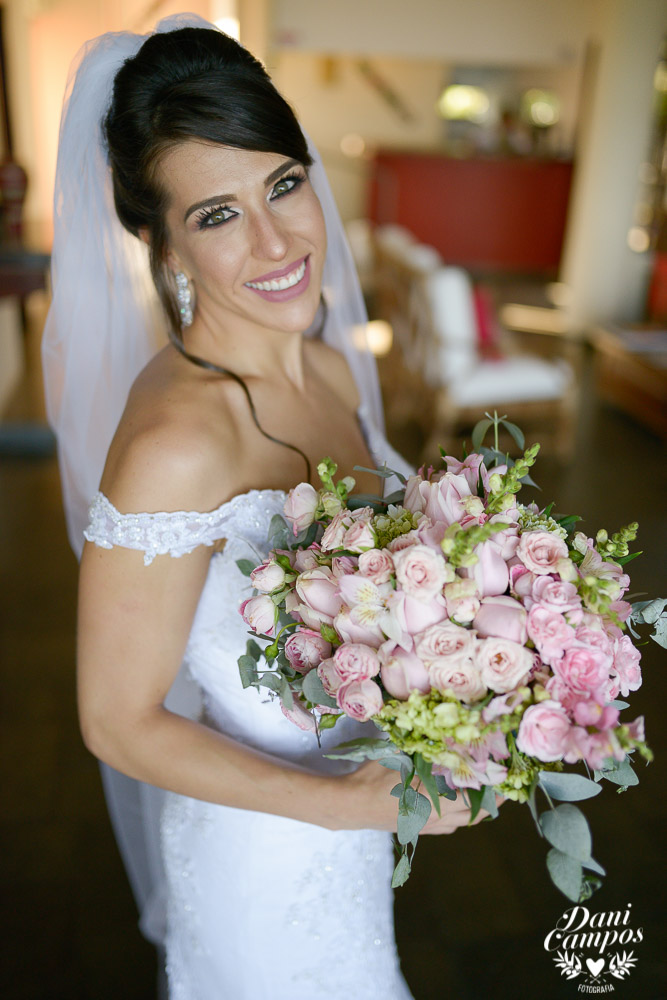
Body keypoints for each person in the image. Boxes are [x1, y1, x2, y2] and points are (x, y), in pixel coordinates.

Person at [43, 16, 489, 999]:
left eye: (283, 184)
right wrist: (340, 806)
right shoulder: (177, 447)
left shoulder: (327, 363)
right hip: (263, 859)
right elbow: (115, 722)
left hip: (356, 836)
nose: (277, 240)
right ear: (163, 248)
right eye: (216, 215)